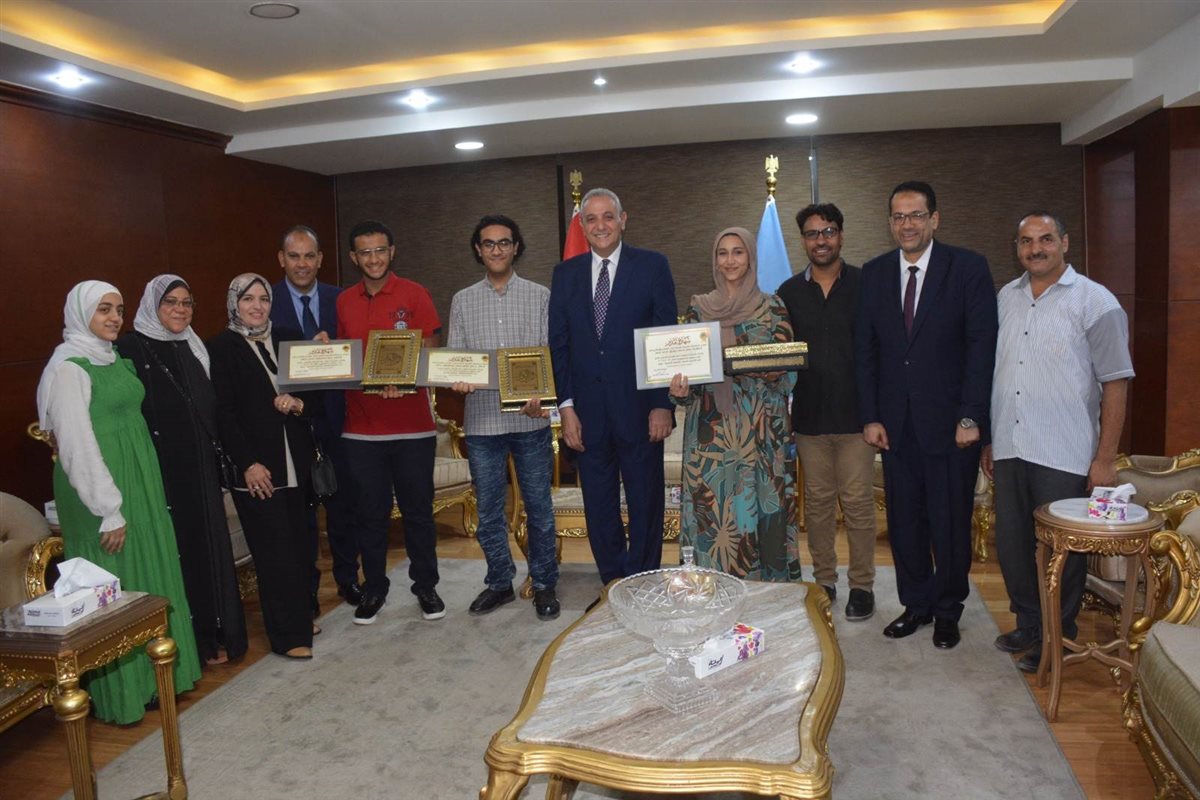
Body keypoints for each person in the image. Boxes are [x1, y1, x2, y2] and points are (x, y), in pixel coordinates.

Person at [36, 280, 201, 723]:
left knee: (148, 570)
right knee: (115, 585)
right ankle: (124, 695)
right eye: (103, 309)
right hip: (100, 492)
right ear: (80, 313)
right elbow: (75, 445)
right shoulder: (68, 368)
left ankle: (157, 680)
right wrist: (108, 509)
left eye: (119, 309)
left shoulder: (112, 358)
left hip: (139, 481)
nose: (114, 318)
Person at [983, 212, 1134, 672]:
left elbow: (1116, 382)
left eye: (1046, 239)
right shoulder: (1005, 298)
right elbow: (995, 373)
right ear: (1017, 248)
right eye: (1027, 241)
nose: (1036, 249)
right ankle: (1030, 624)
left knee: (1061, 553)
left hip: (1063, 452)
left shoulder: (1096, 301)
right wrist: (989, 440)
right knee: (1013, 546)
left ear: (1065, 243)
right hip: (1010, 445)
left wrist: (1105, 458)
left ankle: (1059, 635)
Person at [856, 181, 998, 649]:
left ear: (934, 219)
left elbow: (981, 346)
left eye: (916, 215)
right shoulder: (875, 273)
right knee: (905, 522)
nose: (907, 224)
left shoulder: (968, 268)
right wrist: (871, 416)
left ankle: (948, 610)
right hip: (896, 426)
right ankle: (916, 604)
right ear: (890, 223)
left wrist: (971, 416)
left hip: (952, 426)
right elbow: (866, 351)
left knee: (950, 522)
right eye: (899, 217)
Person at [548, 188, 678, 586]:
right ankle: (613, 585)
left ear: (623, 220)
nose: (600, 225)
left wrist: (662, 404)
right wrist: (566, 407)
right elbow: (559, 345)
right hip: (587, 416)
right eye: (591, 219)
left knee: (645, 503)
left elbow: (665, 336)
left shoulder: (652, 266)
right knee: (599, 506)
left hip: (640, 411)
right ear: (582, 226)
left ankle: (642, 583)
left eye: (608, 216)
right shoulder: (565, 274)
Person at [117, 275, 249, 666]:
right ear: (152, 305)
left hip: (202, 470)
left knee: (209, 550)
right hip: (163, 474)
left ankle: (221, 634)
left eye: (186, 303)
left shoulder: (194, 346)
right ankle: (194, 645)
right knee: (182, 554)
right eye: (170, 302)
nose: (180, 309)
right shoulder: (130, 348)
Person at [668, 227, 800, 581]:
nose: (730, 260)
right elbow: (688, 376)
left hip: (760, 433)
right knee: (713, 515)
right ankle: (708, 589)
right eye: (722, 253)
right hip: (709, 436)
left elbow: (790, 373)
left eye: (738, 252)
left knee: (759, 510)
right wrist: (679, 389)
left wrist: (770, 370)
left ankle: (764, 591)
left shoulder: (773, 308)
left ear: (750, 257)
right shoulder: (698, 309)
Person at [448, 214, 559, 621]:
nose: (496, 250)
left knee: (539, 508)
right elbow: (456, 356)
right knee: (489, 511)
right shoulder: (462, 300)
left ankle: (544, 583)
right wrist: (458, 380)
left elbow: (549, 354)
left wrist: (542, 394)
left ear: (516, 248)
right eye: (488, 243)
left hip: (530, 420)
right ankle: (499, 582)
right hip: (481, 423)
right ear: (478, 250)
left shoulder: (540, 296)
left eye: (504, 242)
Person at [337, 220, 444, 623]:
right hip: (361, 429)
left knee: (418, 513)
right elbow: (343, 356)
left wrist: (405, 378)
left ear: (392, 251)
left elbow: (430, 348)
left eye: (380, 250)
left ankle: (426, 587)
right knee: (370, 515)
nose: (374, 258)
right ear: (354, 258)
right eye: (365, 252)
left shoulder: (415, 293)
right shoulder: (343, 301)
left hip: (413, 426)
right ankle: (374, 589)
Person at [207, 274, 318, 660]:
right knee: (274, 553)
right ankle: (288, 636)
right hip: (257, 469)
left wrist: (299, 404)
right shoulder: (220, 348)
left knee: (300, 545)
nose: (257, 306)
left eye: (263, 299)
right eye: (247, 299)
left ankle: (300, 617)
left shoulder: (288, 337)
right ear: (233, 303)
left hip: (295, 463)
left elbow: (314, 392)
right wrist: (248, 464)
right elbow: (224, 414)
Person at [778, 204, 877, 620]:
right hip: (809, 418)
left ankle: (862, 586)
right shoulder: (787, 292)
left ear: (841, 235)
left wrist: (877, 414)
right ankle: (824, 581)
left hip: (857, 418)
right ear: (803, 240)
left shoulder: (867, 284)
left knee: (857, 503)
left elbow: (879, 350)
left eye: (829, 231)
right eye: (813, 233)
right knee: (817, 505)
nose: (821, 240)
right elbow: (780, 356)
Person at [269, 225, 362, 615]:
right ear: (282, 259)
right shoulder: (265, 301)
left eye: (309, 256)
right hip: (290, 423)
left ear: (320, 259)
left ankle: (348, 579)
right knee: (301, 512)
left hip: (338, 417)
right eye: (294, 256)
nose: (302, 264)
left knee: (343, 505)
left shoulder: (341, 299)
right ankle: (306, 589)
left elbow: (356, 353)